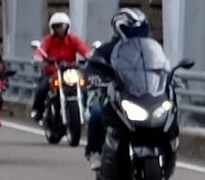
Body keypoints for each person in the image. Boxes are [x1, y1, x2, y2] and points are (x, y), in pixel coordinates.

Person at [80, 8, 154, 160]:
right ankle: (95, 152)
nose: (137, 33)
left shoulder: (148, 50)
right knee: (97, 114)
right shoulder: (106, 49)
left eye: (140, 29)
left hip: (138, 94)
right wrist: (94, 77)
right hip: (112, 94)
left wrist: (168, 77)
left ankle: (168, 147)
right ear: (120, 29)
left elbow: (157, 66)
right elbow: (92, 67)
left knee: (165, 112)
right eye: (134, 29)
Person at [30, 9, 90, 119]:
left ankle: (85, 108)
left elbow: (83, 49)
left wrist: (89, 56)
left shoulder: (73, 39)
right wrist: (38, 57)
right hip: (52, 71)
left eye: (62, 26)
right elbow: (41, 49)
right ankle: (37, 110)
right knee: (42, 88)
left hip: (70, 71)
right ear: (52, 28)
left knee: (83, 85)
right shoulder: (48, 40)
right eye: (57, 26)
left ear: (67, 26)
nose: (60, 29)